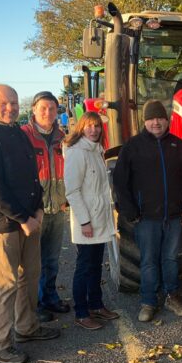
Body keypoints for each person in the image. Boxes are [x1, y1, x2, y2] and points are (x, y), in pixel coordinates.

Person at [0, 84, 60, 363]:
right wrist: (24, 219)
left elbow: (33, 175)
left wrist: (39, 209)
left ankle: (27, 327)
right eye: (4, 103)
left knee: (29, 275)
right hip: (2, 223)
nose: (11, 107)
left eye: (15, 103)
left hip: (28, 218)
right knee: (6, 282)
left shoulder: (15, 131)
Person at [112, 100, 182, 323]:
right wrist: (130, 211)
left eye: (160, 117)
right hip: (146, 218)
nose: (156, 122)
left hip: (174, 216)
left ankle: (172, 297)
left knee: (170, 259)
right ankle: (148, 301)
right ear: (145, 121)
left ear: (167, 120)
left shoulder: (178, 145)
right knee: (149, 260)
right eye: (151, 118)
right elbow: (120, 182)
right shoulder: (132, 147)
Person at [63, 111, 119, 330]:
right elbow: (73, 191)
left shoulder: (97, 150)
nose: (94, 129)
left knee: (96, 265)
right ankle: (81, 312)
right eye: (89, 126)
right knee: (84, 267)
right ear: (81, 128)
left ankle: (96, 305)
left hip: (100, 219)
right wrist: (84, 221)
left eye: (97, 126)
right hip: (87, 222)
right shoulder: (77, 152)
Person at [21, 91, 70, 323]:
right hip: (35, 211)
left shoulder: (63, 138)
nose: (47, 112)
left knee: (51, 259)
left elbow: (69, 170)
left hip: (57, 208)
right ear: (33, 109)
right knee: (33, 262)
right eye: (43, 108)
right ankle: (36, 304)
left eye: (52, 108)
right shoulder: (23, 137)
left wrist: (66, 199)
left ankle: (50, 297)